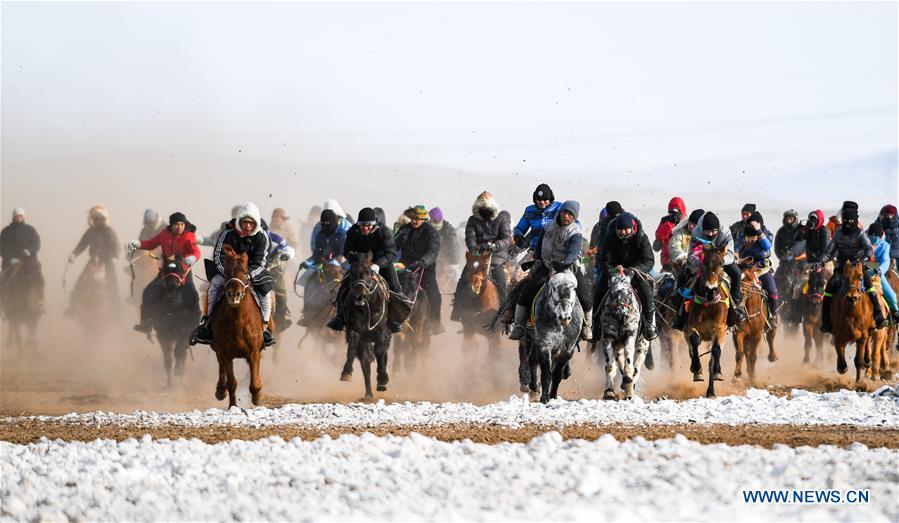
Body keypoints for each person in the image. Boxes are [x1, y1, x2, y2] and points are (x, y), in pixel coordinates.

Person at [190, 202, 276, 346]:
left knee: (266, 294)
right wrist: (229, 274)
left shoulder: (262, 236)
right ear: (239, 221)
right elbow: (218, 256)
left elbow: (261, 261)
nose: (248, 226)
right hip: (228, 273)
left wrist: (247, 275)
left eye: (251, 223)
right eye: (245, 222)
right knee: (213, 287)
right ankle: (206, 324)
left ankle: (265, 328)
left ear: (256, 223)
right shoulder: (228, 233)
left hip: (253, 273)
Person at [509, 200, 593, 341]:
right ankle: (519, 325)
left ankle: (587, 326)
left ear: (574, 217)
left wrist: (559, 267)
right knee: (526, 291)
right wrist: (537, 261)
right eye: (564, 212)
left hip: (569, 269)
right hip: (546, 266)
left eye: (570, 214)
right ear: (560, 212)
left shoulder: (576, 234)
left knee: (585, 296)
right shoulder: (547, 227)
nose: (566, 216)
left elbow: (572, 254)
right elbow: (539, 246)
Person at [326, 207, 405, 334]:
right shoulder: (352, 232)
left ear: (374, 224)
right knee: (344, 287)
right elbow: (347, 251)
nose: (365, 228)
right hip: (361, 266)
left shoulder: (384, 232)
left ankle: (394, 320)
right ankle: (340, 317)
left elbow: (391, 253)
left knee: (395, 287)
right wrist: (355, 259)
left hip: (383, 264)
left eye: (368, 225)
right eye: (362, 225)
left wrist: (378, 264)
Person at [670, 211, 747, 330]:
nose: (710, 234)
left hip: (720, 260)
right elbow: (691, 255)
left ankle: (736, 308)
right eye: (707, 231)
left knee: (736, 273)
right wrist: (702, 263)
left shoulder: (725, 232)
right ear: (703, 229)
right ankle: (679, 314)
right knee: (684, 274)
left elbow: (731, 255)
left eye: (713, 231)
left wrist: (719, 262)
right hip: (702, 261)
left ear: (718, 229)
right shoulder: (696, 232)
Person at [813, 205, 885, 332]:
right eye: (845, 221)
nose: (848, 224)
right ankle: (826, 321)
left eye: (850, 221)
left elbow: (869, 249)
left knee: (870, 285)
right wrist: (820, 262)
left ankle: (878, 316)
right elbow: (828, 252)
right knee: (829, 288)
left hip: (858, 268)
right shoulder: (837, 235)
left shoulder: (860, 234)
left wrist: (863, 259)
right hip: (842, 268)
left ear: (855, 221)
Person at [128, 212, 201, 333]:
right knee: (147, 292)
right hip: (166, 272)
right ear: (171, 225)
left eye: (182, 224)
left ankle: (197, 327)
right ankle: (145, 323)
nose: (179, 227)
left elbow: (196, 252)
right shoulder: (164, 234)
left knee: (193, 295)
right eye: (177, 224)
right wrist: (138, 244)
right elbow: (150, 244)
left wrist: (191, 259)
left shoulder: (189, 236)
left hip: (183, 273)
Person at [593, 212, 657, 340]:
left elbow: (649, 261)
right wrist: (612, 271)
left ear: (633, 228)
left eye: (626, 229)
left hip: (635, 272)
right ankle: (595, 326)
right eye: (620, 230)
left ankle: (649, 325)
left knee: (645, 291)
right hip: (614, 272)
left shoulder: (641, 237)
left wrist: (633, 271)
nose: (623, 232)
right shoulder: (610, 237)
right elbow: (605, 260)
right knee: (599, 291)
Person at [451, 191, 513, 320]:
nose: (485, 211)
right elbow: (470, 238)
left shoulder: (501, 219)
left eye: (487, 208)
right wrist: (475, 248)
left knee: (501, 284)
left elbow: (507, 238)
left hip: (496, 257)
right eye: (482, 208)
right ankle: (457, 309)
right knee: (463, 280)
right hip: (477, 257)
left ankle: (503, 314)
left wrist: (496, 246)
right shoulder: (472, 220)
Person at [395, 205, 444, 334]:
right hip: (404, 267)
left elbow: (433, 252)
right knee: (390, 289)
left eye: (417, 219)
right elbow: (393, 246)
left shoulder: (431, 232)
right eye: (412, 218)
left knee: (434, 295)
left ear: (424, 219)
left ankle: (435, 323)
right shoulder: (404, 229)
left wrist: (423, 261)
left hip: (425, 269)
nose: (414, 221)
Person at [297, 209, 347, 326]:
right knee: (309, 282)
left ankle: (345, 315)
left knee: (346, 286)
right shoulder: (320, 234)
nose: (325, 228)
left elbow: (343, 255)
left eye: (327, 225)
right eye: (323, 225)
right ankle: (307, 312)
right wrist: (307, 262)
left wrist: (334, 263)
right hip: (322, 266)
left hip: (341, 266)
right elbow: (317, 254)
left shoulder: (342, 234)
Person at [67, 206, 121, 307]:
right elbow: (82, 245)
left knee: (113, 286)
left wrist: (115, 257)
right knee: (81, 282)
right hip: (93, 262)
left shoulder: (109, 231)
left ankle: (117, 311)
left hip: (107, 262)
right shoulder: (90, 231)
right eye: (95, 218)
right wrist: (74, 254)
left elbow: (115, 245)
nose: (96, 220)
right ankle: (73, 307)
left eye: (99, 218)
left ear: (103, 219)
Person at [737, 211, 779, 326]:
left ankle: (773, 316)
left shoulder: (767, 233)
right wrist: (736, 255)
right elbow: (737, 246)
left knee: (772, 290)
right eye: (750, 224)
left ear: (760, 223)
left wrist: (758, 231)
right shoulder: (743, 234)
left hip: (761, 270)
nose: (751, 226)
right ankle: (733, 315)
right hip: (745, 269)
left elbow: (767, 245)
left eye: (754, 224)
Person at [0, 208, 45, 308]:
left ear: (24, 217)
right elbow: (2, 247)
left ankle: (40, 301)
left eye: (20, 216)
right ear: (13, 217)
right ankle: (2, 307)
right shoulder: (6, 231)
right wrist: (10, 258)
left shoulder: (30, 230)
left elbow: (37, 243)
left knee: (40, 280)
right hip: (11, 265)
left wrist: (29, 250)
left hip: (29, 264)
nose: (19, 218)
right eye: (17, 216)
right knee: (2, 282)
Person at [513, 183, 562, 252]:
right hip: (535, 250)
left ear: (550, 198)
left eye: (545, 199)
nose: (542, 202)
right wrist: (517, 235)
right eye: (539, 199)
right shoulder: (529, 211)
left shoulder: (560, 208)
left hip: (555, 251)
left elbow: (574, 225)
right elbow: (519, 228)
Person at [866, 222, 899, 322]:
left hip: (877, 274)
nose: (873, 238)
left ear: (880, 236)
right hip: (863, 272)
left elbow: (885, 261)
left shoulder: (885, 246)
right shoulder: (863, 242)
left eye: (875, 236)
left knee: (891, 295)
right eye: (871, 235)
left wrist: (879, 270)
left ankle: (895, 311)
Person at [653, 197, 687, 272]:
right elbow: (656, 246)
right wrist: (667, 227)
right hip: (667, 264)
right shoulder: (665, 222)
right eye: (672, 213)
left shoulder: (687, 223)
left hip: (684, 262)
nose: (675, 216)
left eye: (677, 213)